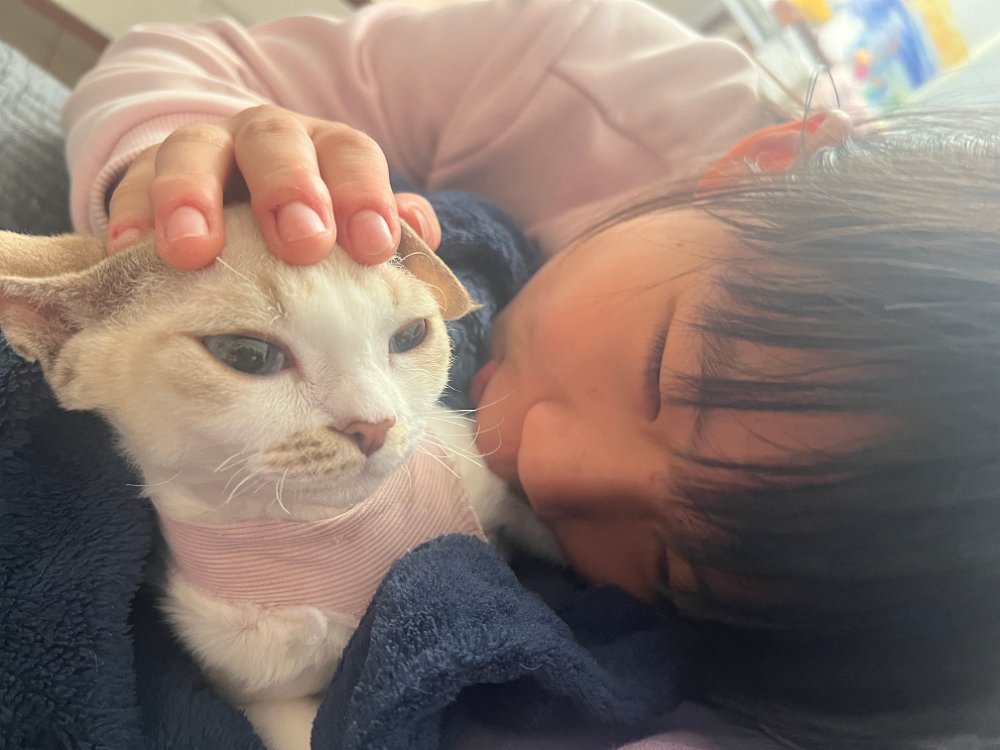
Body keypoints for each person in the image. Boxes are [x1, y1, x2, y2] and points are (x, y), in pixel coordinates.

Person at [58, 0, 1000, 747]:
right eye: (659, 372)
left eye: (662, 562)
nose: (543, 461)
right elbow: (170, 56)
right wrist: (189, 175)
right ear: (761, 165)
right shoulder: (581, 66)